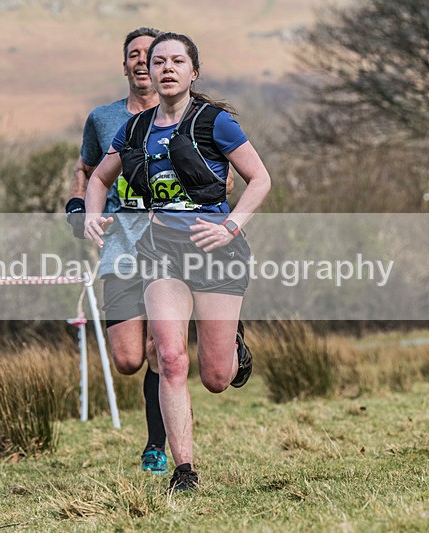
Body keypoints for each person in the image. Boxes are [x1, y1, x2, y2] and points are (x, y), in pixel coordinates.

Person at [84, 32, 271, 492]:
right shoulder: (134, 129)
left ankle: (233, 344)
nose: (167, 68)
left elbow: (260, 179)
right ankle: (184, 470)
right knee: (169, 357)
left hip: (216, 251)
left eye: (177, 61)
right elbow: (98, 179)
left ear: (193, 72)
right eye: (159, 61)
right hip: (160, 252)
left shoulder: (215, 122)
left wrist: (230, 226)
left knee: (216, 378)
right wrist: (91, 215)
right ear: (149, 71)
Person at [65, 27, 169, 474]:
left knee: (161, 350)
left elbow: (218, 175)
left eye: (151, 54)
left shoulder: (184, 115)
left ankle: (157, 446)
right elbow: (86, 169)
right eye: (134, 54)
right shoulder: (103, 119)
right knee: (128, 359)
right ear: (124, 64)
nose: (142, 61)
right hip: (120, 247)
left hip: (171, 247)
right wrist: (77, 208)